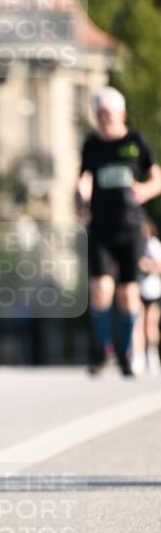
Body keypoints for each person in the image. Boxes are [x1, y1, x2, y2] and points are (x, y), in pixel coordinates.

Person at [77, 87, 161, 376]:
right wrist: (81, 193)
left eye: (109, 114)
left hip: (131, 227)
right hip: (100, 225)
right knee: (100, 289)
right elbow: (85, 176)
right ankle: (104, 351)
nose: (105, 119)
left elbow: (156, 177)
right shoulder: (91, 145)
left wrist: (144, 190)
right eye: (99, 114)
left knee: (128, 292)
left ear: (122, 114)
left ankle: (127, 353)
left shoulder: (136, 142)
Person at [137, 219, 161, 374]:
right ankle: (138, 355)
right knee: (138, 324)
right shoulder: (135, 244)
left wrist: (145, 264)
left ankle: (152, 353)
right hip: (138, 289)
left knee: (150, 324)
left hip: (152, 290)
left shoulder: (153, 244)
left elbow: (159, 266)